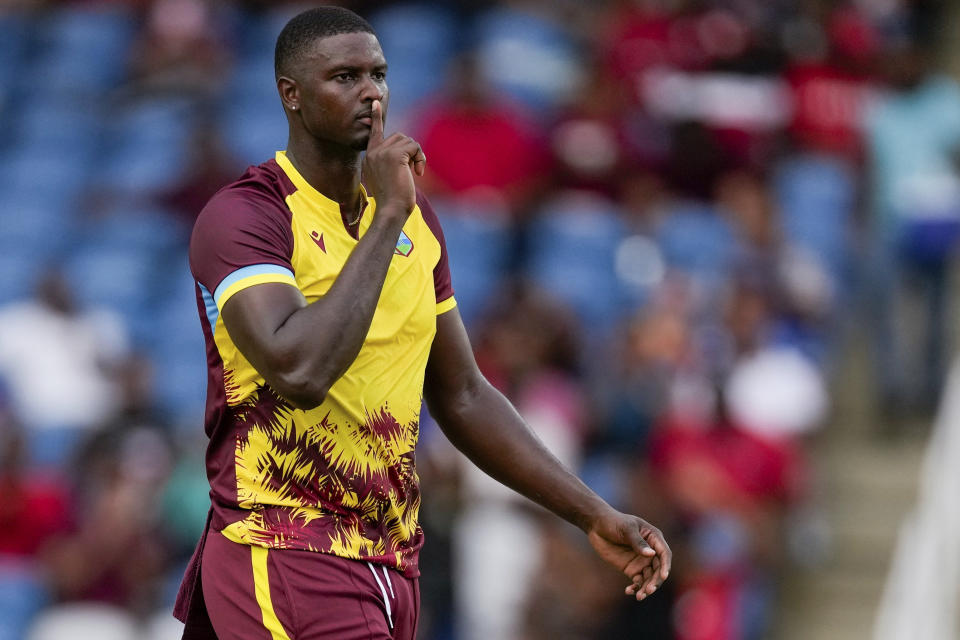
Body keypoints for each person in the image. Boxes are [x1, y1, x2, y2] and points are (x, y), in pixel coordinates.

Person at [173, 7, 670, 639]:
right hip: (287, 546)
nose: (371, 92)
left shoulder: (414, 221)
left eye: (378, 74)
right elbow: (298, 369)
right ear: (290, 95)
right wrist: (385, 219)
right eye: (344, 77)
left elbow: (462, 392)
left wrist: (591, 512)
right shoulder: (248, 216)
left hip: (390, 558)